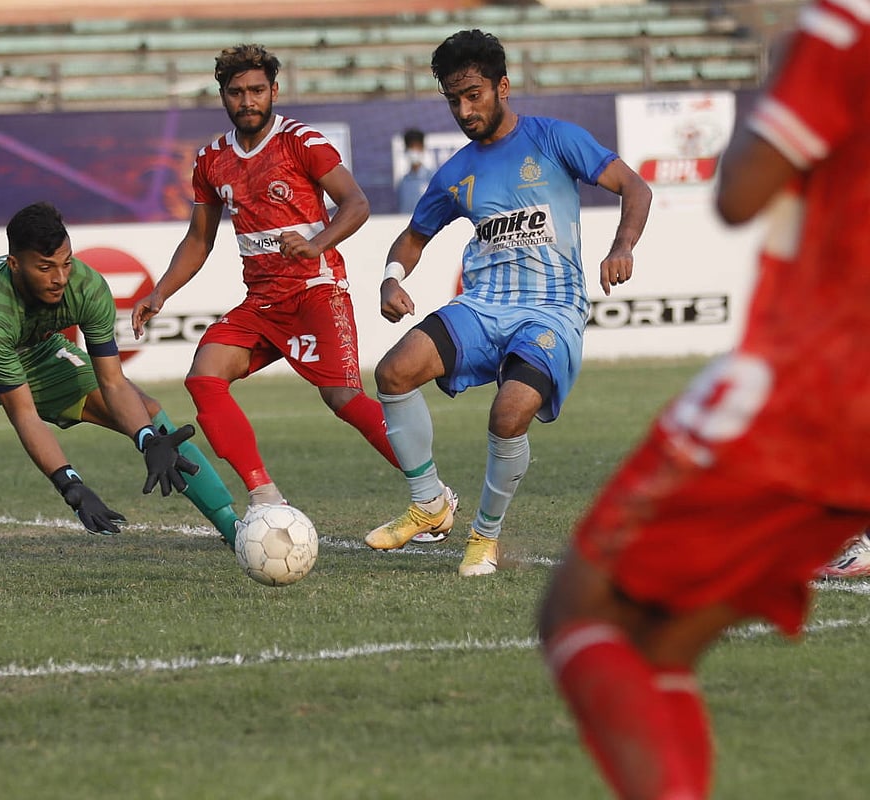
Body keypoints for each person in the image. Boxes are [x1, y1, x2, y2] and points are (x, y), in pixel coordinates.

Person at [537, 3, 870, 797]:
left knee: (578, 613)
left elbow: (742, 194)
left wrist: (787, 70)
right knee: (662, 647)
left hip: (813, 389)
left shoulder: (843, 29)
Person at [363, 29, 652, 576]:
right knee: (395, 371)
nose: (465, 110)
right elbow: (413, 237)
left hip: (551, 308)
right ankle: (429, 503)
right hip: (484, 305)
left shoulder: (554, 138)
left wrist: (622, 246)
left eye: (474, 95)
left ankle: (484, 537)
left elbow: (636, 187)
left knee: (510, 412)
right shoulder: (455, 173)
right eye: (454, 99)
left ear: (503, 86)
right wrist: (390, 277)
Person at [131, 44, 440, 517]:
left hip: (315, 289)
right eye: (236, 92)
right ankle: (265, 496)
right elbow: (199, 240)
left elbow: (356, 203)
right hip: (262, 302)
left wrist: (317, 244)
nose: (247, 101)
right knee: (203, 377)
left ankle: (432, 492)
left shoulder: (301, 142)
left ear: (274, 91)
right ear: (223, 96)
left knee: (341, 396)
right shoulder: (212, 160)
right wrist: (159, 292)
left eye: (257, 90)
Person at [0, 201, 240, 595]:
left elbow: (114, 384)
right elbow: (25, 414)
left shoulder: (86, 286)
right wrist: (71, 485)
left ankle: (233, 528)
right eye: (45, 267)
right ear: (14, 264)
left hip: (35, 352)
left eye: (66, 262)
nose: (60, 278)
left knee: (148, 411)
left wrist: (147, 438)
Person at [396, 127, 435, 215]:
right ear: (406, 150)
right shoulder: (403, 183)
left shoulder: (433, 178)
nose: (414, 151)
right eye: (411, 147)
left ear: (423, 148)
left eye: (417, 147)